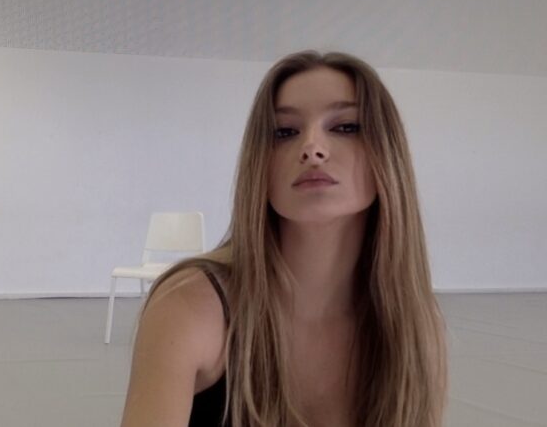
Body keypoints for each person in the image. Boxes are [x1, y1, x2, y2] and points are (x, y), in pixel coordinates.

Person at [118, 50, 448, 427]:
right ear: (260, 165)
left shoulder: (416, 327)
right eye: (285, 132)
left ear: (388, 155)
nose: (313, 148)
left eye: (345, 127)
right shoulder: (191, 306)